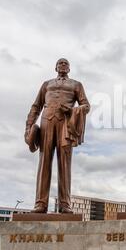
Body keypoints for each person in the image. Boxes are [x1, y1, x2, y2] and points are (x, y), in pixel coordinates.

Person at [25, 58, 90, 213]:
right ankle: (40, 203)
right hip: (47, 122)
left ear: (69, 68)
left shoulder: (76, 84)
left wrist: (72, 110)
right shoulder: (47, 84)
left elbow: (86, 106)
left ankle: (65, 204)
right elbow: (36, 106)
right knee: (44, 161)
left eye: (65, 63)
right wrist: (28, 127)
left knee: (65, 163)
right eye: (60, 63)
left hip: (66, 124)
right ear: (55, 67)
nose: (63, 65)